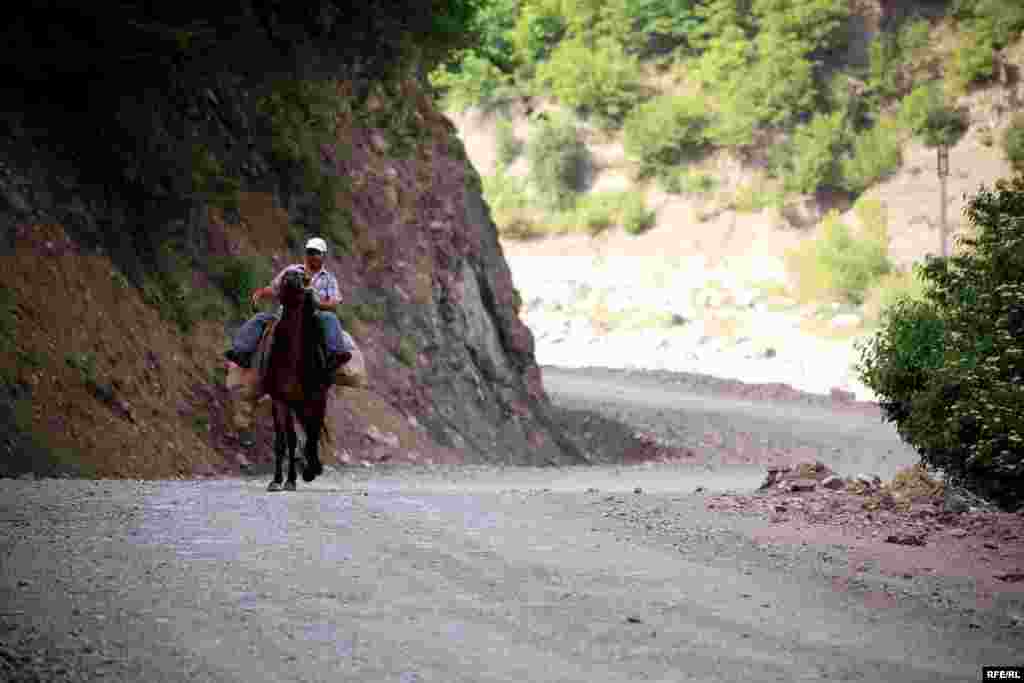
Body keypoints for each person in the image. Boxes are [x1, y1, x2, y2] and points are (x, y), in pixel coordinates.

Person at [225, 237, 353, 374]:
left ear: (323, 256)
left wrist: (319, 303)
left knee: (330, 318)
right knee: (260, 319)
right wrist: (260, 293)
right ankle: (241, 352)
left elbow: (335, 301)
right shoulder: (293, 270)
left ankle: (335, 355)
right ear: (306, 254)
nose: (313, 256)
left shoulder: (328, 279)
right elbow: (275, 288)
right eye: (310, 252)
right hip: (286, 312)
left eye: (317, 252)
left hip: (314, 315)